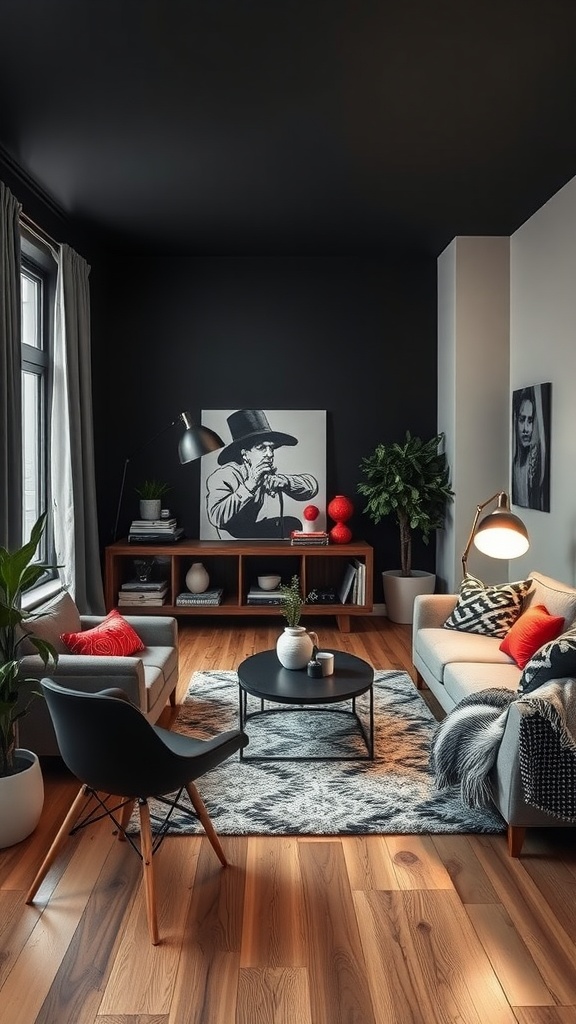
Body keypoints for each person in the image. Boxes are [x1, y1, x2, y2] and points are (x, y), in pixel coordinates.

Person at [206, 409, 319, 538]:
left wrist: (285, 482)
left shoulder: (265, 474)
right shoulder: (224, 475)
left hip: (253, 532)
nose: (269, 454)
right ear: (245, 454)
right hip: (233, 541)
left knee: (292, 524)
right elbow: (216, 517)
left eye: (271, 448)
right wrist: (250, 485)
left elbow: (312, 487)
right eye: (261, 448)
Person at [512, 386, 545, 510]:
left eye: (530, 421)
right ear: (516, 421)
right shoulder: (514, 467)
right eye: (522, 420)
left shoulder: (536, 469)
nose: (526, 429)